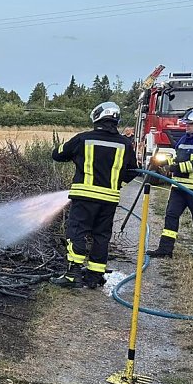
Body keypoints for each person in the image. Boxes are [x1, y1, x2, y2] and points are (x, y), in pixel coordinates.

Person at [51, 102, 139, 288]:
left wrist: (71, 153)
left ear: (97, 117)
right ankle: (95, 276)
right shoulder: (125, 143)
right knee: (101, 236)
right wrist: (117, 184)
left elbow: (57, 154)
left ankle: (73, 274)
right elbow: (133, 171)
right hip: (109, 199)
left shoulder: (83, 138)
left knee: (77, 232)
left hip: (84, 197)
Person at [147, 108, 193, 259]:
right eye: (186, 124)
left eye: (191, 124)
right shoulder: (183, 140)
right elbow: (177, 160)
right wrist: (164, 162)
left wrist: (175, 168)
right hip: (178, 187)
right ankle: (165, 250)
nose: (187, 127)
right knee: (171, 215)